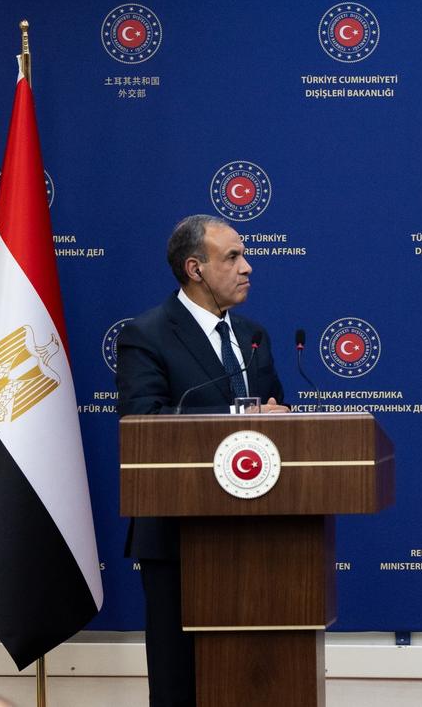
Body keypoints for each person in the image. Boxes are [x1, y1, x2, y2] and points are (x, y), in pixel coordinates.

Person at [117, 214, 288, 707]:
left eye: (244, 255)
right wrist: (240, 416)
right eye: (232, 257)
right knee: (180, 684)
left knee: (257, 681)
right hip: (179, 536)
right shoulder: (147, 335)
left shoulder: (253, 336)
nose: (247, 267)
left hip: (259, 535)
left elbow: (274, 417)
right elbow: (144, 422)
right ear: (195, 268)